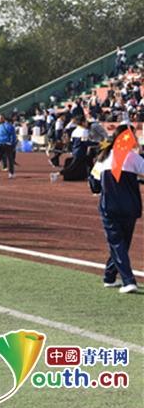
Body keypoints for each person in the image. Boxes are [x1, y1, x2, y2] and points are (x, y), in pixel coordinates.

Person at [88, 124, 144, 294]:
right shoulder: (134, 158)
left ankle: (111, 276)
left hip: (110, 207)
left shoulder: (103, 158)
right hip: (130, 207)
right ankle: (126, 280)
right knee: (121, 243)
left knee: (118, 244)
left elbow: (94, 186)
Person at [0, 114, 16, 179]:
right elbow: (13, 137)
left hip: (0, 144)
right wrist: (12, 144)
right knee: (10, 159)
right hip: (7, 144)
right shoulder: (11, 127)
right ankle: (11, 174)